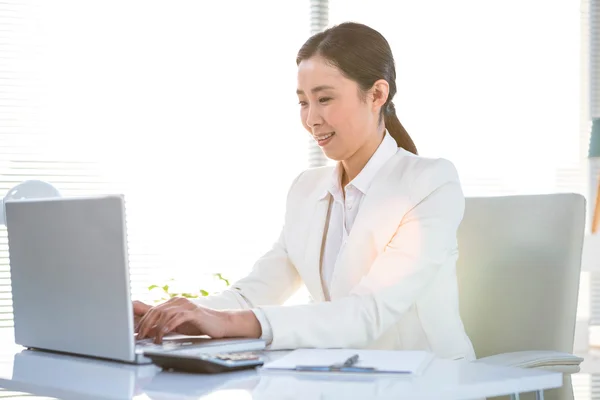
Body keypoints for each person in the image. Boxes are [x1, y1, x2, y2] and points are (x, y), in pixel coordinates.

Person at [134, 22, 475, 361]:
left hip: (429, 382)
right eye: (302, 102)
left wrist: (225, 322)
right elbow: (254, 295)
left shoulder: (431, 182)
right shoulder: (306, 189)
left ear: (377, 95)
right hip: (343, 379)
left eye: (324, 99)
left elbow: (367, 314)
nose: (311, 119)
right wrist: (170, 317)